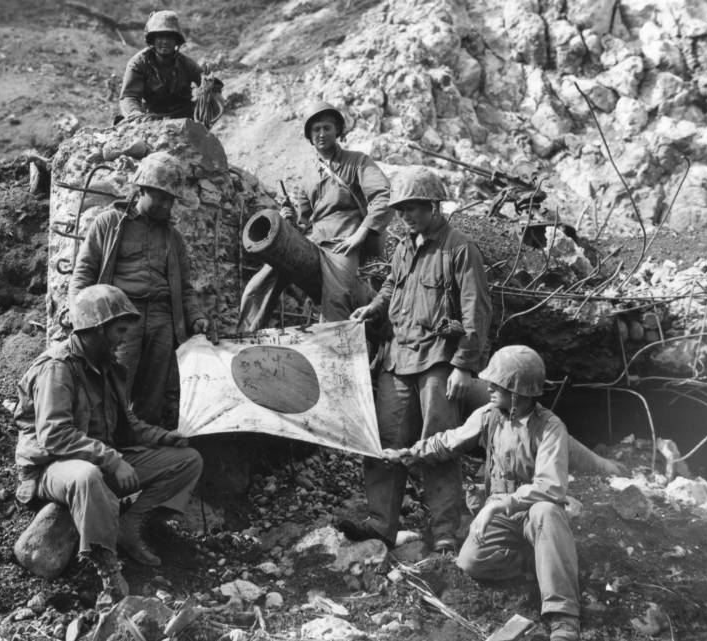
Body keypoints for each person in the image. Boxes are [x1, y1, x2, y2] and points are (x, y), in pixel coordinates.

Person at [14, 285, 204, 600]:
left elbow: (127, 426)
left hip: (99, 461)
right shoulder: (56, 368)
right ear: (96, 329)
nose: (123, 338)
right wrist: (112, 460)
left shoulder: (109, 370)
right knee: (86, 476)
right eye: (118, 329)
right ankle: (106, 567)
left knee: (187, 460)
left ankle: (130, 527)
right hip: (52, 468)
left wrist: (164, 437)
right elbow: (54, 434)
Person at [338, 166, 492, 552]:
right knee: (385, 441)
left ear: (434, 205)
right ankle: (380, 525)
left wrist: (464, 365)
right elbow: (393, 285)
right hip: (397, 357)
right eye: (401, 210)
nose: (405, 216)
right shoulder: (405, 247)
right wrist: (373, 308)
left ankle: (443, 530)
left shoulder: (460, 248)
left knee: (438, 443)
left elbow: (476, 310)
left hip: (438, 360)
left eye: (413, 209)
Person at [382, 345, 581, 641]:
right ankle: (535, 561)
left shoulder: (551, 428)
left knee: (547, 511)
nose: (488, 387)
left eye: (497, 384)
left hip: (533, 513)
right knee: (470, 563)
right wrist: (409, 453)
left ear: (517, 392)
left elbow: (550, 488)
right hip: (502, 514)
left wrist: (496, 507)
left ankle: (563, 616)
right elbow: (450, 441)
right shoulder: (489, 415)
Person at [69, 151, 209, 425]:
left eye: (172, 199)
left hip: (162, 319)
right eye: (162, 197)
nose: (168, 205)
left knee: (153, 393)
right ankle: (109, 444)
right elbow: (84, 272)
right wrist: (79, 315)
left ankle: (143, 448)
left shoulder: (174, 238)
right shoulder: (109, 224)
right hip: (120, 318)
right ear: (143, 189)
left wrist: (196, 317)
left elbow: (185, 288)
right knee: (115, 384)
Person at [237, 100, 392, 331]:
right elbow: (304, 221)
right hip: (312, 239)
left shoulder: (357, 161)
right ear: (309, 135)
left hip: (343, 241)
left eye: (327, 127)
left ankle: (334, 358)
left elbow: (382, 196)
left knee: (338, 297)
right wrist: (289, 219)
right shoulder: (306, 174)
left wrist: (361, 234)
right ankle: (244, 342)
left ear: (337, 130)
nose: (321, 134)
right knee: (258, 286)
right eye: (316, 129)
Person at [119, 10, 215, 121]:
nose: (165, 41)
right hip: (151, 117)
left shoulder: (187, 64)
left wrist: (210, 93)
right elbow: (129, 96)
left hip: (185, 117)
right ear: (152, 40)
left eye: (170, 37)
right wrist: (135, 113)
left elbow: (208, 86)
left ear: (176, 41)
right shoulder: (138, 63)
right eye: (160, 37)